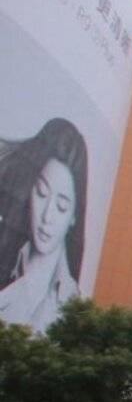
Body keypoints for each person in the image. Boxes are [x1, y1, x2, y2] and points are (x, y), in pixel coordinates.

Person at [0, 118, 89, 331]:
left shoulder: (72, 306)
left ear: (74, 216)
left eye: (61, 206)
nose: (47, 217)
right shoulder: (8, 264)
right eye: (41, 193)